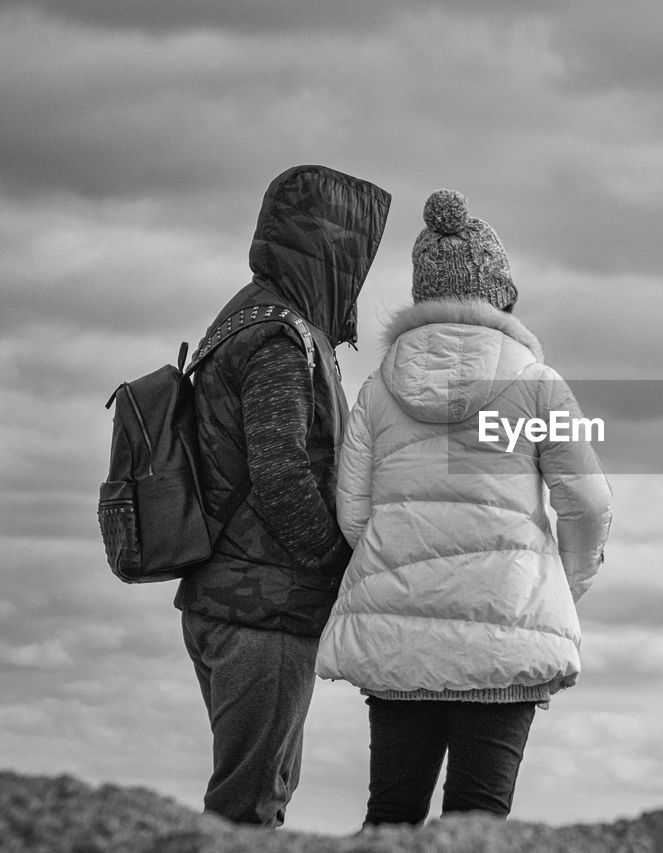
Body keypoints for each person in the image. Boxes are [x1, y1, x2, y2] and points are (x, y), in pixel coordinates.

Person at [316, 188, 611, 826]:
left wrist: (401, 566)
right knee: (479, 820)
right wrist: (560, 582)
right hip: (506, 625)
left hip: (398, 636)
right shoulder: (538, 385)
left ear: (424, 295)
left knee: (390, 814)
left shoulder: (378, 388)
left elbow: (353, 510)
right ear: (503, 296)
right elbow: (587, 503)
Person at [174, 164, 391, 826]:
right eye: (355, 253)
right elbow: (283, 475)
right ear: (329, 247)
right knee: (249, 810)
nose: (359, 271)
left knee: (247, 802)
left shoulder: (246, 317)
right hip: (261, 611)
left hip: (234, 596)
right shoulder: (277, 337)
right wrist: (342, 565)